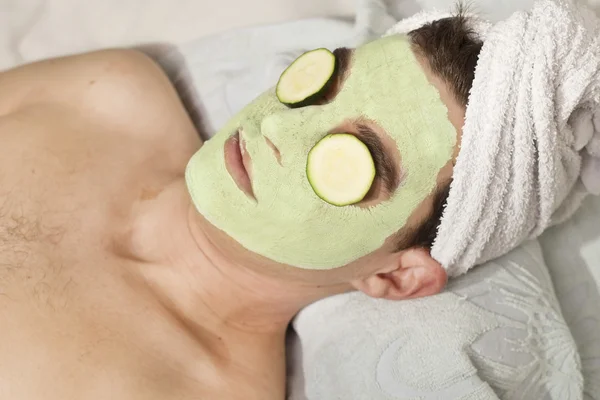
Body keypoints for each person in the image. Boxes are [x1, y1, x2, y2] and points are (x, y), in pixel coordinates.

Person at [2, 2, 593, 396]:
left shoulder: (191, 390)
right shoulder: (109, 95)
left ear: (398, 277)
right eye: (319, 84)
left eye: (357, 157)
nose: (281, 128)